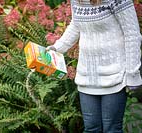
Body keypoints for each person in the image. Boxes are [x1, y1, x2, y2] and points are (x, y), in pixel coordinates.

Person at [46, 0, 142, 132]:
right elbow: (76, 25)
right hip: (87, 76)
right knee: (91, 129)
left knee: (111, 129)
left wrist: (132, 72)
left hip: (114, 75)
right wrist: (56, 48)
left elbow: (132, 34)